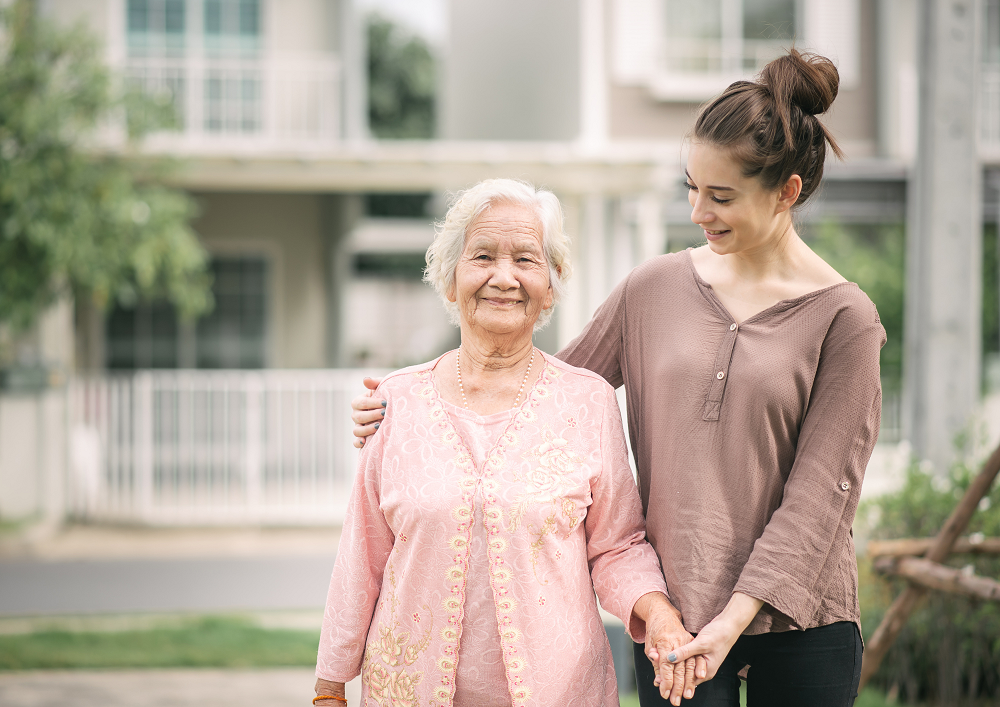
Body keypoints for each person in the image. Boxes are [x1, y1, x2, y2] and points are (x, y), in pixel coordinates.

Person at [351, 50, 885, 707]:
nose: (698, 211)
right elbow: (545, 395)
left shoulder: (845, 319)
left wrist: (730, 623)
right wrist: (414, 404)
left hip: (805, 620)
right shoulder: (652, 288)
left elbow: (818, 502)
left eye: (720, 196)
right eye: (691, 188)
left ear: (787, 192)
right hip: (674, 617)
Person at [315, 178, 700, 707]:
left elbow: (616, 546)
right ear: (450, 279)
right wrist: (330, 685)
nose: (503, 277)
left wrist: (658, 614)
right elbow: (363, 555)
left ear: (552, 283)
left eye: (525, 259)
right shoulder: (396, 401)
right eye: (482, 257)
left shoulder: (587, 402)